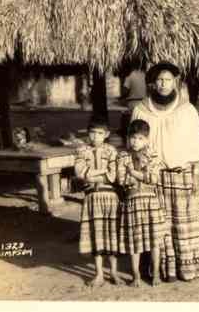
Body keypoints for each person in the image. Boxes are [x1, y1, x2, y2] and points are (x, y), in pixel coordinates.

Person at [131, 61, 199, 281]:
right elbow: (135, 143)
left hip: (182, 175)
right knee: (159, 224)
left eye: (167, 80)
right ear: (153, 83)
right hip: (154, 178)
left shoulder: (187, 110)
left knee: (184, 221)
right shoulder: (141, 110)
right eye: (159, 80)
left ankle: (187, 268)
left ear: (175, 82)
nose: (163, 84)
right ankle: (164, 270)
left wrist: (195, 175)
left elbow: (196, 144)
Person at [117, 119, 168, 287]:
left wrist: (133, 172)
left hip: (150, 202)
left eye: (140, 138)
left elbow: (153, 179)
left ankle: (156, 275)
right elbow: (122, 179)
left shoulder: (153, 155)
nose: (135, 142)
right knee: (135, 242)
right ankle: (136, 276)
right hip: (132, 202)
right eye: (132, 138)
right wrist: (140, 175)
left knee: (154, 240)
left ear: (147, 139)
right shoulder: (123, 155)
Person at [74, 118, 121, 287]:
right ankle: (99, 273)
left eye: (100, 133)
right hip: (92, 198)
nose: (96, 137)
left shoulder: (111, 151)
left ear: (106, 134)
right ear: (88, 134)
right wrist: (102, 172)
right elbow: (80, 173)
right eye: (92, 133)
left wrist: (92, 174)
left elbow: (113, 175)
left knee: (111, 234)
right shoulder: (81, 150)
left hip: (109, 197)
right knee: (96, 235)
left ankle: (114, 271)